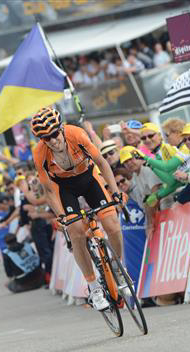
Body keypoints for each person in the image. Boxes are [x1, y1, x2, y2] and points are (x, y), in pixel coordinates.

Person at [31, 107, 125, 311]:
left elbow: (101, 161)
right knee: (76, 232)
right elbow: (48, 189)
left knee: (113, 226)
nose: (53, 140)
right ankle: (93, 286)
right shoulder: (39, 153)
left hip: (89, 178)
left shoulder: (76, 134)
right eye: (46, 138)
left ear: (61, 128)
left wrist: (115, 191)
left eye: (55, 134)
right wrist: (62, 216)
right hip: (65, 188)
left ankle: (116, 266)